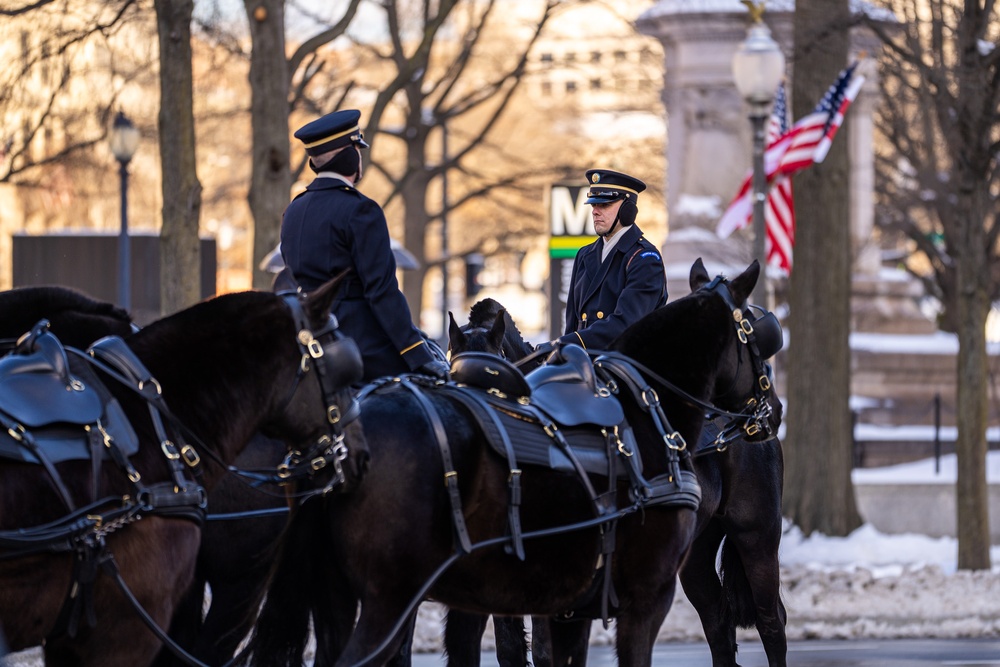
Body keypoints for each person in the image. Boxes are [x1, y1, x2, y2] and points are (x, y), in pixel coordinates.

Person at [280, 109, 449, 382]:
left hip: (309, 342)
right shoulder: (361, 210)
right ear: (349, 156)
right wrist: (417, 353)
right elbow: (381, 291)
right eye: (357, 149)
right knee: (435, 391)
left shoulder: (293, 210)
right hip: (358, 345)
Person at [539, 168, 666, 354]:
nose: (595, 212)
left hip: (625, 368)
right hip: (585, 362)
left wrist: (566, 343)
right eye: (593, 205)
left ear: (628, 209)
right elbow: (573, 323)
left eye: (604, 205)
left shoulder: (645, 258)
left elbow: (626, 324)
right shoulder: (585, 254)